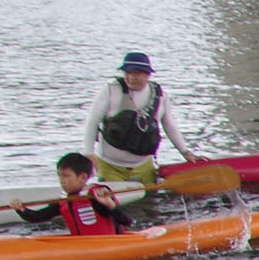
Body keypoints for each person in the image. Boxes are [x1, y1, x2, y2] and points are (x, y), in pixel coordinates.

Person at [82, 52, 202, 188]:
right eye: (127, 72)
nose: (131, 78)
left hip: (144, 166)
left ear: (148, 74)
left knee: (148, 204)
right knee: (114, 206)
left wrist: (185, 152)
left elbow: (170, 125)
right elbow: (92, 121)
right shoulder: (111, 90)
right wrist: (88, 153)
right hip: (110, 165)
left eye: (137, 73)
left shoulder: (160, 96)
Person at [13, 154, 141, 237]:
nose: (62, 180)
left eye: (66, 176)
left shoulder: (96, 196)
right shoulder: (64, 200)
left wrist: (109, 204)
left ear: (82, 177)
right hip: (83, 246)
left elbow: (127, 221)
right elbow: (38, 217)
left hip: (110, 245)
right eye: (59, 175)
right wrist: (21, 209)